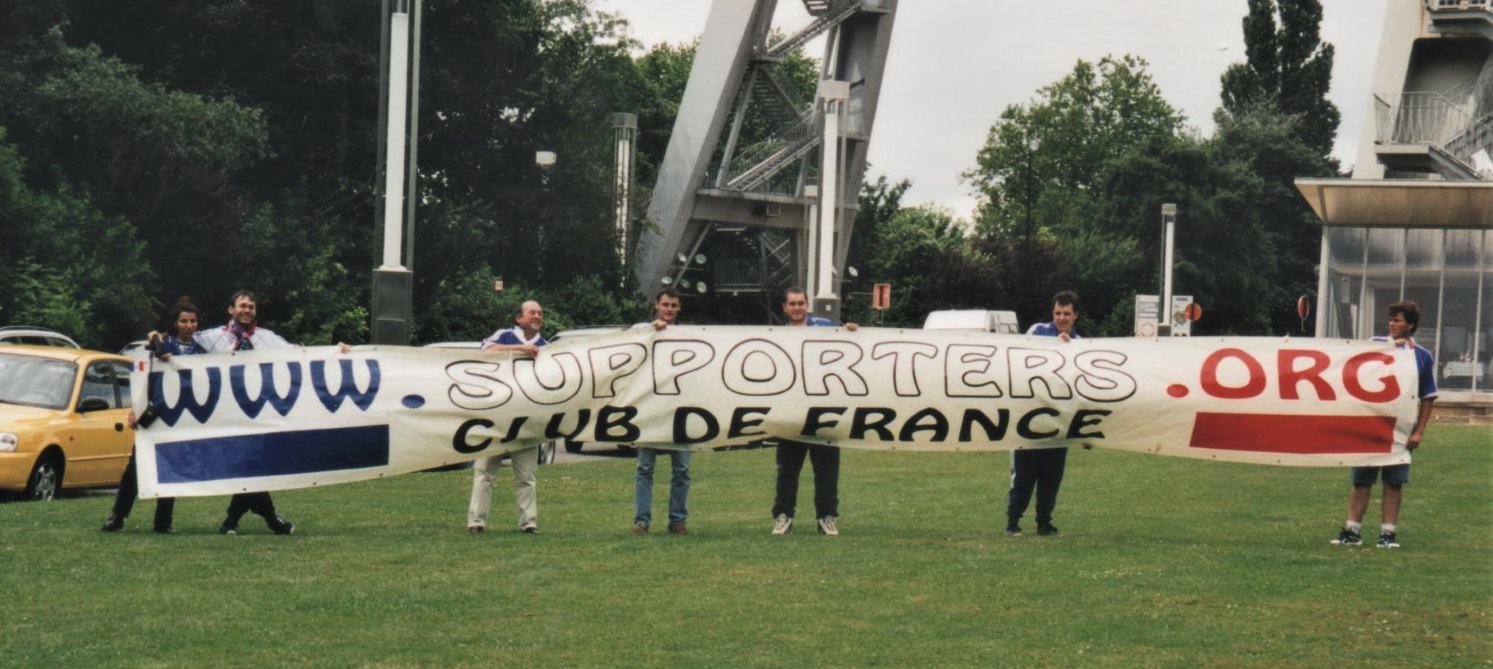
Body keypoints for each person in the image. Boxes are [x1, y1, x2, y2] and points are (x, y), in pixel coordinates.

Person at [1332, 300, 1438, 549]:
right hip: (1370, 426)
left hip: (1399, 429)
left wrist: (1419, 431)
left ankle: (1387, 533)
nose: (1392, 324)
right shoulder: (1376, 345)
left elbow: (1428, 397)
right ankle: (1352, 530)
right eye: (1390, 319)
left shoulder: (1422, 356)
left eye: (1398, 320)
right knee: (1361, 480)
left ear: (1410, 325)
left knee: (1393, 482)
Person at [194, 290, 297, 536]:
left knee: (250, 466)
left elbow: (300, 353)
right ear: (231, 309)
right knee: (249, 466)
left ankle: (234, 521)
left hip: (257, 414)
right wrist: (157, 338)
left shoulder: (267, 338)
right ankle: (269, 519)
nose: (247, 310)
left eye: (251, 306)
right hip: (227, 414)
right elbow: (181, 346)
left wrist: (339, 352)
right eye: (242, 305)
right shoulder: (212, 339)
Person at [100, 297, 201, 534]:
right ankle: (118, 515)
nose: (189, 325)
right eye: (184, 321)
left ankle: (163, 521)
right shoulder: (161, 345)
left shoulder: (201, 349)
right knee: (136, 466)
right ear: (176, 323)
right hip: (156, 413)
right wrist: (134, 408)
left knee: (171, 468)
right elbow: (143, 377)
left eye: (193, 321)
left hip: (182, 416)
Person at [771, 287, 857, 536]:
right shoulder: (775, 334)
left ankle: (826, 517)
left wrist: (852, 332)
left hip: (824, 411)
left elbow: (849, 343)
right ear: (784, 308)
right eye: (792, 304)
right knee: (787, 471)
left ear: (807, 305)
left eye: (801, 303)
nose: (797, 308)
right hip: (792, 413)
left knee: (827, 471)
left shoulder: (824, 326)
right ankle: (783, 516)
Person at [468, 300, 547, 535]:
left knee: (526, 476)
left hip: (526, 418)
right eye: (532, 312)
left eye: (540, 313)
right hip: (496, 416)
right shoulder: (504, 336)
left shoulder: (546, 346)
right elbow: (485, 351)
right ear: (519, 318)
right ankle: (476, 521)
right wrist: (521, 350)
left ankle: (528, 523)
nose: (537, 316)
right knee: (484, 472)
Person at [1006, 289, 1080, 537]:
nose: (1061, 318)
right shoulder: (1037, 332)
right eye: (1058, 313)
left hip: (1059, 422)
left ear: (1075, 316)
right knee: (1024, 476)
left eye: (1066, 314)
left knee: (1051, 478)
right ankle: (1013, 521)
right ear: (1052, 313)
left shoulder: (1081, 345)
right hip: (1028, 420)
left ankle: (1044, 523)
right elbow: (1020, 356)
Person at [633, 288, 690, 535]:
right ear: (657, 305)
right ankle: (642, 520)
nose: (669, 309)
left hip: (680, 410)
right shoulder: (643, 331)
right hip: (650, 408)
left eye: (674, 306)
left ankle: (677, 519)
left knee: (682, 469)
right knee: (645, 467)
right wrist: (650, 330)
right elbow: (626, 341)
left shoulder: (687, 335)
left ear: (679, 309)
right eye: (665, 304)